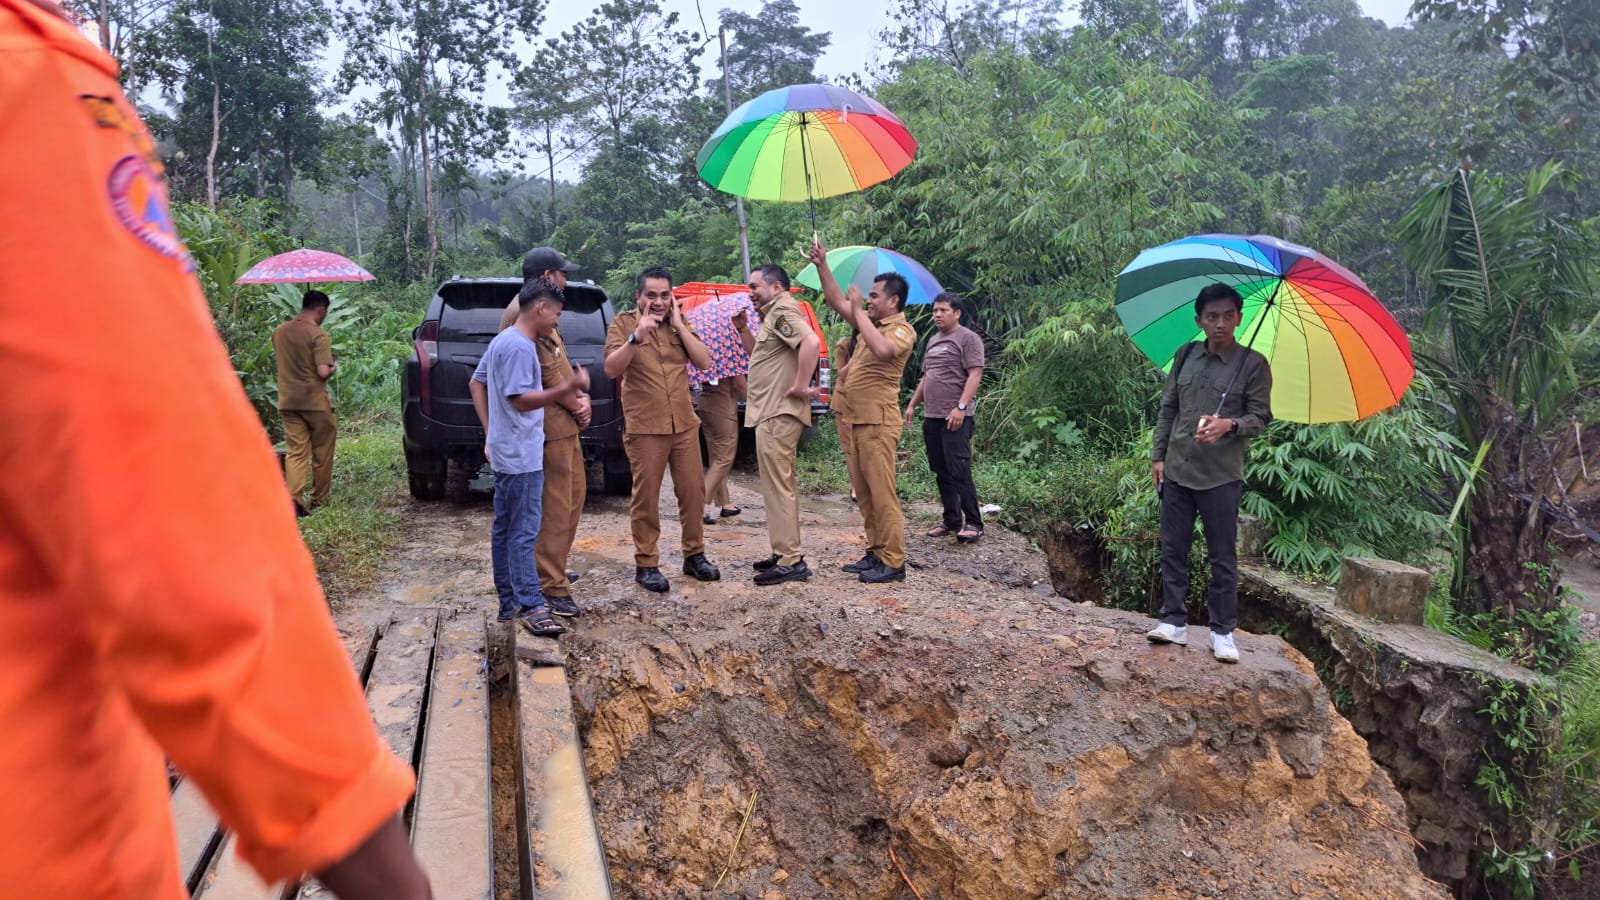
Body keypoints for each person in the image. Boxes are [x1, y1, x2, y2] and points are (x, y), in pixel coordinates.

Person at [0, 2, 431, 896]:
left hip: (281, 401)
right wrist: (362, 838)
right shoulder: (29, 86)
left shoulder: (274, 329)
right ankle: (310, 498)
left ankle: (308, 498)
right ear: (320, 307)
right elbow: (173, 522)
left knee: (299, 455)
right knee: (314, 450)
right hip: (46, 848)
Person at [1147, 283, 1272, 664]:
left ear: (1239, 318)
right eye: (1212, 316)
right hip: (1178, 468)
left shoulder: (1252, 364)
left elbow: (1261, 417)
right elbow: (1168, 407)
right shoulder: (1185, 355)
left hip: (1221, 475)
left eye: (1228, 316)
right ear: (1199, 320)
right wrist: (1158, 456)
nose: (1221, 323)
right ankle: (1174, 622)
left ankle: (1222, 632)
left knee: (1221, 556)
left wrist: (1228, 425)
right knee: (1173, 548)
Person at [470, 279, 589, 637]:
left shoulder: (501, 340)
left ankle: (508, 603)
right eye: (555, 313)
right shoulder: (522, 347)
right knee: (523, 532)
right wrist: (566, 388)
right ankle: (531, 606)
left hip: (506, 451)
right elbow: (520, 399)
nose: (556, 321)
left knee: (504, 529)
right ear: (540, 308)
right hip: (522, 456)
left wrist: (490, 432)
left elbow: (476, 383)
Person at [603, 267, 723, 593]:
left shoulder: (678, 323)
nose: (658, 301)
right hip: (645, 427)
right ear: (638, 296)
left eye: (664, 295)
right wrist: (636, 336)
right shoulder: (623, 324)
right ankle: (647, 563)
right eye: (651, 295)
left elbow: (705, 361)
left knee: (693, 493)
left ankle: (694, 554)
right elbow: (611, 368)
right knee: (646, 499)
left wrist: (681, 327)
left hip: (683, 424)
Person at [808, 238, 918, 583]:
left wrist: (858, 311)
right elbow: (834, 300)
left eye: (874, 297)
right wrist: (821, 264)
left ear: (893, 301)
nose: (868, 301)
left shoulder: (901, 330)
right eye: (867, 296)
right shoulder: (868, 322)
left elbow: (884, 350)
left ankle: (894, 561)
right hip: (853, 419)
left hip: (877, 422)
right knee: (864, 491)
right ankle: (875, 552)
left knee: (882, 492)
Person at [740, 264, 821, 586]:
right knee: (774, 487)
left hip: (778, 413)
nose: (751, 293)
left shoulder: (783, 310)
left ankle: (791, 560)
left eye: (755, 287)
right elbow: (759, 358)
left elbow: (811, 343)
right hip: (769, 412)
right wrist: (744, 330)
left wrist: (802, 385)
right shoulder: (771, 316)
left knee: (779, 486)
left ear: (775, 288)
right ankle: (783, 551)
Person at [904, 291, 986, 542]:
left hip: (956, 416)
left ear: (957, 313)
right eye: (935, 310)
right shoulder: (933, 340)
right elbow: (928, 376)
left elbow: (974, 375)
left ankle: (974, 523)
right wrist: (912, 404)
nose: (937, 315)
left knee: (959, 468)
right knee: (941, 470)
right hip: (933, 415)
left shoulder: (968, 339)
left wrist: (961, 408)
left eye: (943, 310)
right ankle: (951, 520)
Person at [274, 288, 337, 515]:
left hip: (288, 401)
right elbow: (322, 371)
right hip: (315, 403)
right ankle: (319, 498)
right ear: (320, 309)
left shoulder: (280, 332)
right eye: (325, 312)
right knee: (322, 451)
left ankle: (294, 499)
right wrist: (333, 366)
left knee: (296, 452)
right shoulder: (318, 335)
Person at [697, 372, 745, 525]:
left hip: (705, 402)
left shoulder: (707, 349)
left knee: (716, 457)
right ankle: (699, 505)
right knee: (724, 458)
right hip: (723, 406)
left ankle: (725, 503)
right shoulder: (729, 351)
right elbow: (740, 383)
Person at [498, 246, 582, 331]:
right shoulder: (531, 311)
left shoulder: (525, 304)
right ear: (548, 275)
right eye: (563, 276)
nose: (565, 283)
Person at [832, 330, 860, 503]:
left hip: (867, 401)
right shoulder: (844, 345)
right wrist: (859, 353)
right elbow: (842, 374)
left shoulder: (877, 345)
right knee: (849, 446)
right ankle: (855, 486)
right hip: (844, 401)